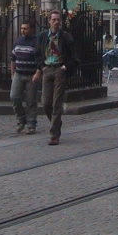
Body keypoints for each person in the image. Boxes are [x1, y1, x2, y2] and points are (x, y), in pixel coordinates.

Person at [34, 10, 78, 145]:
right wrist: (42, 68)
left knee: (56, 102)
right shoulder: (42, 36)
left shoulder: (65, 37)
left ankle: (54, 134)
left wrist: (65, 67)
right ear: (49, 21)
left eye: (58, 20)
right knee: (46, 103)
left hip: (60, 69)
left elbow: (74, 56)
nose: (56, 22)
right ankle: (56, 123)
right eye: (54, 20)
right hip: (47, 69)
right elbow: (37, 54)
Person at [10, 21, 39, 134]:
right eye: (22, 28)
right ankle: (21, 119)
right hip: (19, 73)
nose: (23, 30)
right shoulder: (17, 41)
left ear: (31, 29)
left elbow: (40, 60)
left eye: (25, 28)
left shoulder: (36, 42)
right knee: (14, 96)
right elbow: (13, 58)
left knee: (31, 100)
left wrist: (37, 73)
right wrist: (12, 73)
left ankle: (31, 124)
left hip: (31, 75)